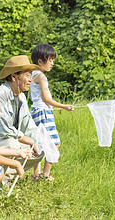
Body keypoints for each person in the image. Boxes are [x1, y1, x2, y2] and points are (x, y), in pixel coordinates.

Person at [0, 55, 45, 183]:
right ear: (14, 76)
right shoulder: (0, 94)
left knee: (41, 150)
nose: (30, 80)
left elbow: (28, 125)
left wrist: (38, 141)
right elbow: (4, 130)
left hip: (8, 140)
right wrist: (29, 141)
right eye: (27, 75)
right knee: (12, 143)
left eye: (31, 76)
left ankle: (5, 178)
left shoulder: (21, 97)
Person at [30, 44, 74, 181]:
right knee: (54, 143)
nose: (52, 64)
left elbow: (32, 97)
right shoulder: (41, 77)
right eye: (50, 60)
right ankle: (45, 174)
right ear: (40, 61)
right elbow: (46, 98)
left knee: (38, 142)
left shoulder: (31, 75)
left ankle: (36, 174)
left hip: (35, 110)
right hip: (43, 112)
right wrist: (64, 106)